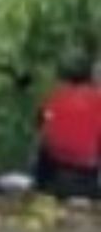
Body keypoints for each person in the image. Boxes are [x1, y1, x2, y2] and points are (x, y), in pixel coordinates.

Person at [33, 62, 101, 199]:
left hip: (56, 163)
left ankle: (40, 186)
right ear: (91, 78)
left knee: (43, 141)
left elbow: (41, 126)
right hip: (88, 166)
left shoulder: (54, 98)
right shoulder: (98, 99)